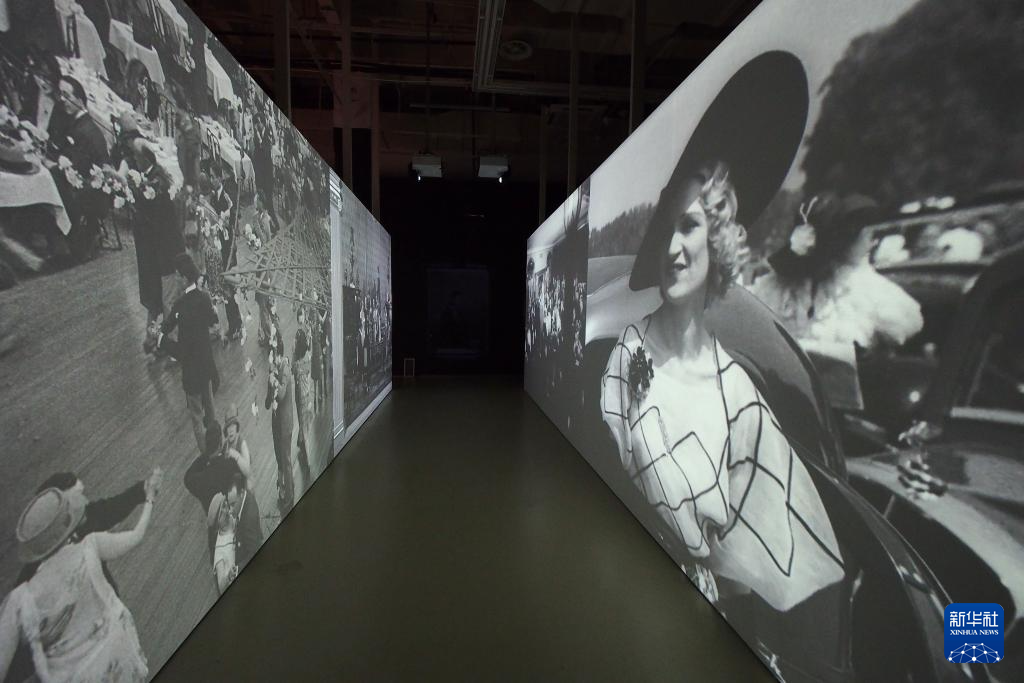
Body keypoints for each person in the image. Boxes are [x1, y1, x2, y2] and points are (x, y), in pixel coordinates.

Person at [600, 52, 847, 680]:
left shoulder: (740, 401)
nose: (673, 247)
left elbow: (784, 570)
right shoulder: (626, 351)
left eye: (690, 227)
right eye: (667, 228)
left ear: (717, 241)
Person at [3, 469, 162, 683]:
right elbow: (134, 535)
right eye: (77, 497)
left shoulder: (22, 597)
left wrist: (143, 490)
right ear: (61, 514)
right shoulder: (88, 544)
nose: (84, 502)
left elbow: (112, 507)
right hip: (115, 662)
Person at [158, 253, 220, 452]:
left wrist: (160, 339)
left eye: (177, 276)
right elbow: (213, 321)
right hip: (207, 367)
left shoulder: (181, 306)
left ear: (184, 278)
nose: (176, 280)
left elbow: (182, 351)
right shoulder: (203, 298)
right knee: (211, 411)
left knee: (196, 417)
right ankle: (217, 448)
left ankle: (206, 455)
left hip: (192, 374)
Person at [49, 75, 110, 261]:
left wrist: (55, 162)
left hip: (91, 189)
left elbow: (77, 168)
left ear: (80, 100)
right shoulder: (77, 123)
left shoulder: (84, 129)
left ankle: (72, 240)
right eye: (61, 95)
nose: (62, 99)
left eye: (67, 96)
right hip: (85, 181)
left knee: (52, 179)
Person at [184, 420, 241, 515]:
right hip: (233, 513)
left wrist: (206, 454)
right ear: (220, 443)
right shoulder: (231, 464)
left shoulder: (199, 480)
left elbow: (187, 478)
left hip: (213, 518)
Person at [266, 332, 295, 511]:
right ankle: (287, 486)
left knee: (286, 459)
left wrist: (274, 382)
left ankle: (289, 496)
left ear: (278, 355)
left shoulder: (285, 370)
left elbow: (282, 394)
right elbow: (267, 403)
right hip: (276, 425)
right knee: (280, 459)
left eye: (272, 357)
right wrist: (269, 385)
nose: (270, 361)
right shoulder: (274, 370)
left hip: (285, 424)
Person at [292, 313, 314, 481]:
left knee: (304, 426)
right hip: (308, 395)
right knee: (305, 424)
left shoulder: (297, 364)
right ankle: (301, 442)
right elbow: (309, 348)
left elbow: (293, 364)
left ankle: (308, 459)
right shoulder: (308, 358)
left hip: (301, 398)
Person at [222, 410, 252, 485]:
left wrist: (236, 455)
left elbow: (248, 472)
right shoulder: (226, 445)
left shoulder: (242, 444)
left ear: (236, 428)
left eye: (233, 426)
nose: (231, 430)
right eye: (228, 427)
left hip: (242, 480)